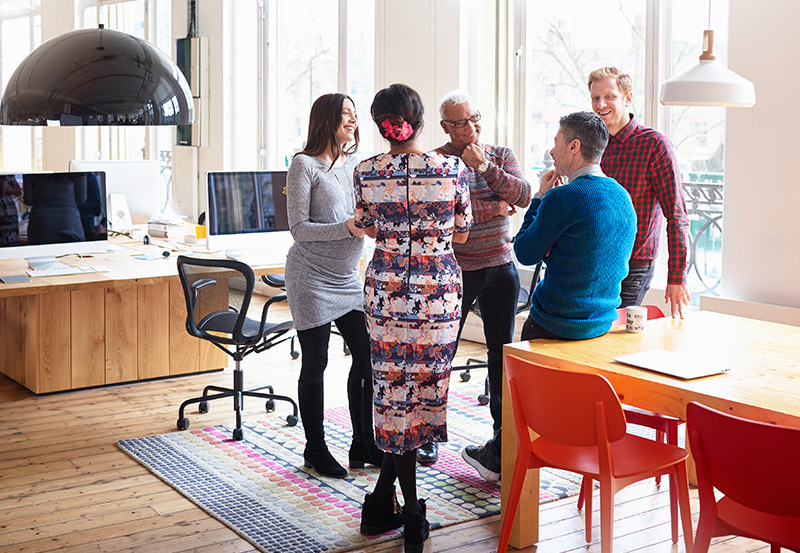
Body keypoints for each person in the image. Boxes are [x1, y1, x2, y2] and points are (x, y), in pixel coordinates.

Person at [353, 83, 472, 553]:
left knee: (392, 397)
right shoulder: (451, 169)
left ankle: (397, 505)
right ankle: (411, 511)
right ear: (420, 121)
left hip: (386, 293)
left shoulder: (366, 172)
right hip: (438, 294)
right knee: (422, 393)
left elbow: (365, 224)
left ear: (382, 125)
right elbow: (461, 233)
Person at [431, 90, 531, 474]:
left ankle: (501, 440)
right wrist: (497, 206)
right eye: (460, 123)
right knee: (441, 354)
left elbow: (522, 195)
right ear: (445, 127)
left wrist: (486, 168)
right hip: (456, 269)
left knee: (501, 356)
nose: (471, 127)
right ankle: (427, 438)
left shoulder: (501, 155)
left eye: (475, 118)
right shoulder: (437, 161)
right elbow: (446, 214)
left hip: (500, 267)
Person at [284, 92, 382, 479]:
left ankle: (363, 443)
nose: (353, 120)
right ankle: (316, 449)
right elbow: (299, 230)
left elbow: (360, 216)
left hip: (346, 278)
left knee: (368, 355)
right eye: (346, 113)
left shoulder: (354, 165)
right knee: (317, 361)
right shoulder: (303, 165)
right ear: (326, 118)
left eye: (355, 115)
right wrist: (346, 228)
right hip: (310, 277)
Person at [515, 112, 637, 354]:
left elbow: (525, 253)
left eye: (556, 142)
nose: (551, 151)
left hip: (554, 327)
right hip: (601, 327)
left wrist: (539, 198)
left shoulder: (562, 197)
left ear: (574, 147)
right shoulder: (623, 196)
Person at [587, 66, 691, 318]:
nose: (601, 105)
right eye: (595, 98)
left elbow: (677, 214)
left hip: (633, 265)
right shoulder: (592, 144)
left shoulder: (654, 144)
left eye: (609, 96)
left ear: (627, 98)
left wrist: (677, 277)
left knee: (617, 335)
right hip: (592, 260)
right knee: (590, 335)